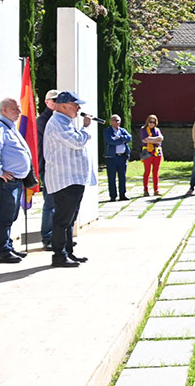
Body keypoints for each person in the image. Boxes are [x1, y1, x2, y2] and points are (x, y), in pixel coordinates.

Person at [44, 91, 97, 267]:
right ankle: (59, 255)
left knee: (69, 220)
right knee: (62, 220)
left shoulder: (65, 122)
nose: (79, 108)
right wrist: (86, 127)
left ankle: (68, 252)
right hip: (64, 180)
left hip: (73, 179)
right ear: (65, 105)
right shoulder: (58, 123)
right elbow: (76, 142)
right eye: (76, 105)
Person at [0, 98, 33, 263]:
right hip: (5, 181)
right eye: (15, 109)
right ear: (4, 110)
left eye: (18, 109)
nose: (19, 112)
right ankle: (4, 251)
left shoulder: (10, 127)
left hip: (16, 180)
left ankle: (9, 246)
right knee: (5, 216)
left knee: (11, 215)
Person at [36, 89, 59, 250]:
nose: (57, 102)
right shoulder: (43, 120)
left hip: (59, 167)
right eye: (54, 100)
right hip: (47, 166)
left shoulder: (58, 118)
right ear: (47, 102)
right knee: (49, 203)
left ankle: (58, 237)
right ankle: (47, 236)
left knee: (60, 204)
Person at [102, 114, 132, 202]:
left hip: (122, 157)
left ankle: (122, 194)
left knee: (122, 177)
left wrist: (120, 138)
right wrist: (122, 141)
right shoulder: (107, 131)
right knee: (111, 177)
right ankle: (113, 196)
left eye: (118, 120)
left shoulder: (122, 130)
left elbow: (129, 137)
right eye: (115, 120)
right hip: (111, 157)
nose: (117, 122)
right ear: (111, 122)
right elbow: (111, 141)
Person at [139, 114, 163, 196]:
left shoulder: (157, 130)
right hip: (146, 152)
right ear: (147, 122)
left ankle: (156, 190)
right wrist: (155, 140)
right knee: (147, 171)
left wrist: (151, 140)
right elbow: (145, 140)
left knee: (156, 172)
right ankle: (146, 190)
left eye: (153, 122)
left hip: (157, 152)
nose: (151, 124)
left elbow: (161, 139)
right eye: (150, 122)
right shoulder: (143, 129)